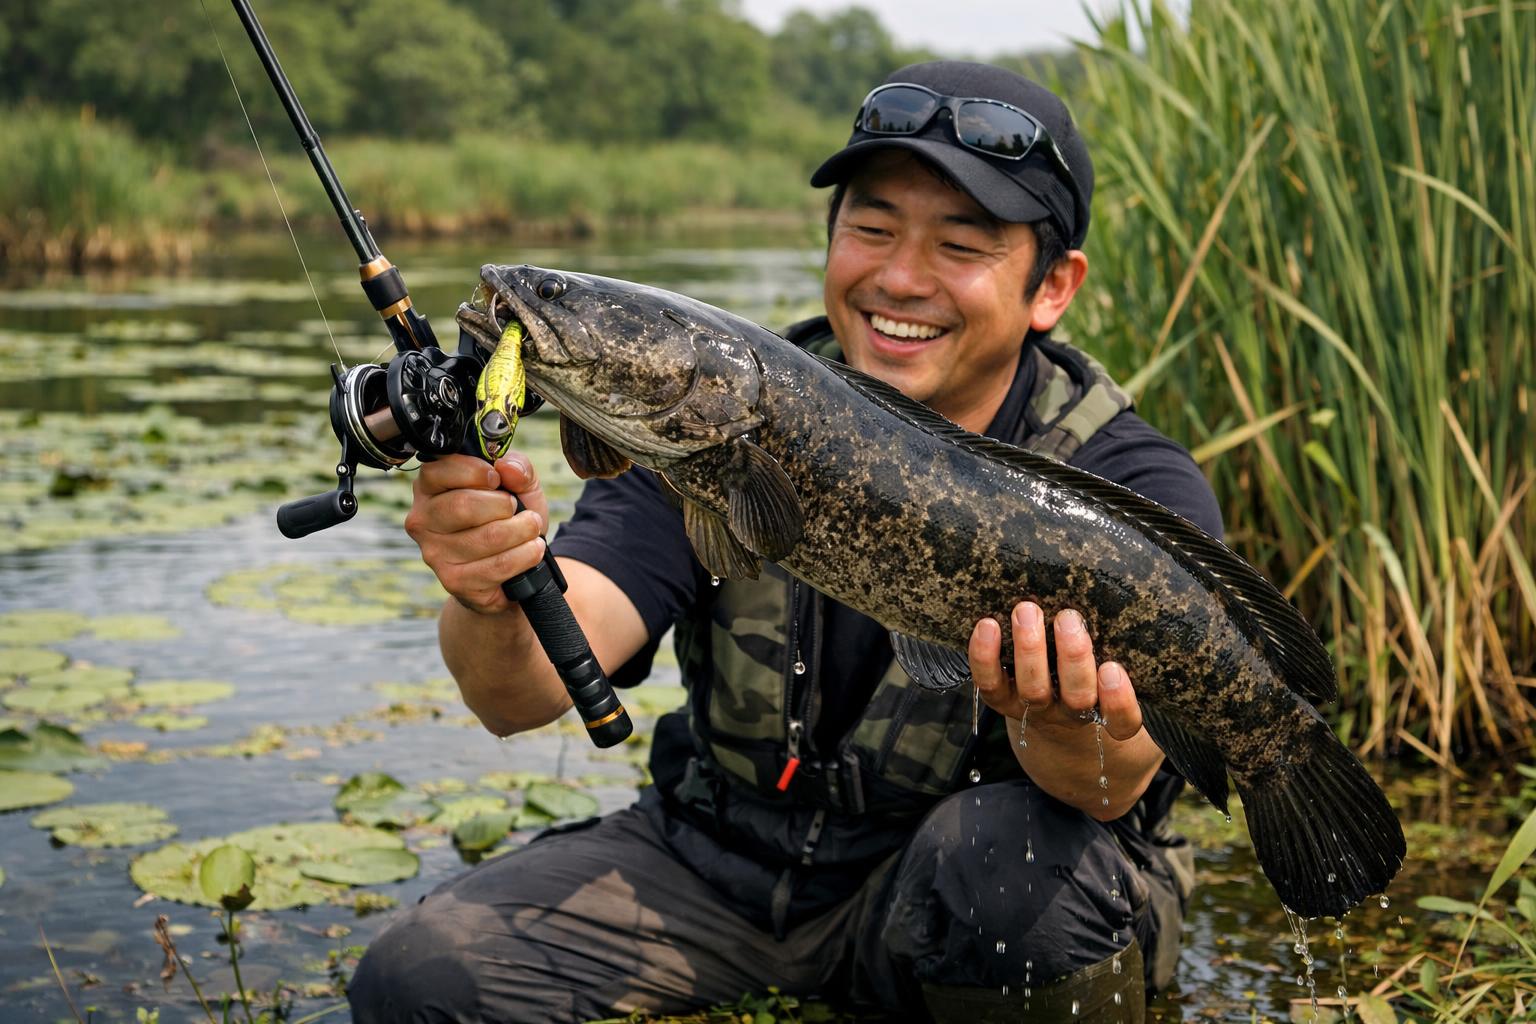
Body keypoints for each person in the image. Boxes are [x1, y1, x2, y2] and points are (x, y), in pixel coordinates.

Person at [350, 60, 1221, 1023]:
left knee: (1006, 864)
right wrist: (493, 588)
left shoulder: (1127, 492)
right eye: (871, 227)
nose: (898, 277)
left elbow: (1111, 789)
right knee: (420, 979)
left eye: (960, 244)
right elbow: (518, 694)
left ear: (1052, 287)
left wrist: (1061, 723)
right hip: (718, 868)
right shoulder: (706, 410)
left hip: (947, 898)